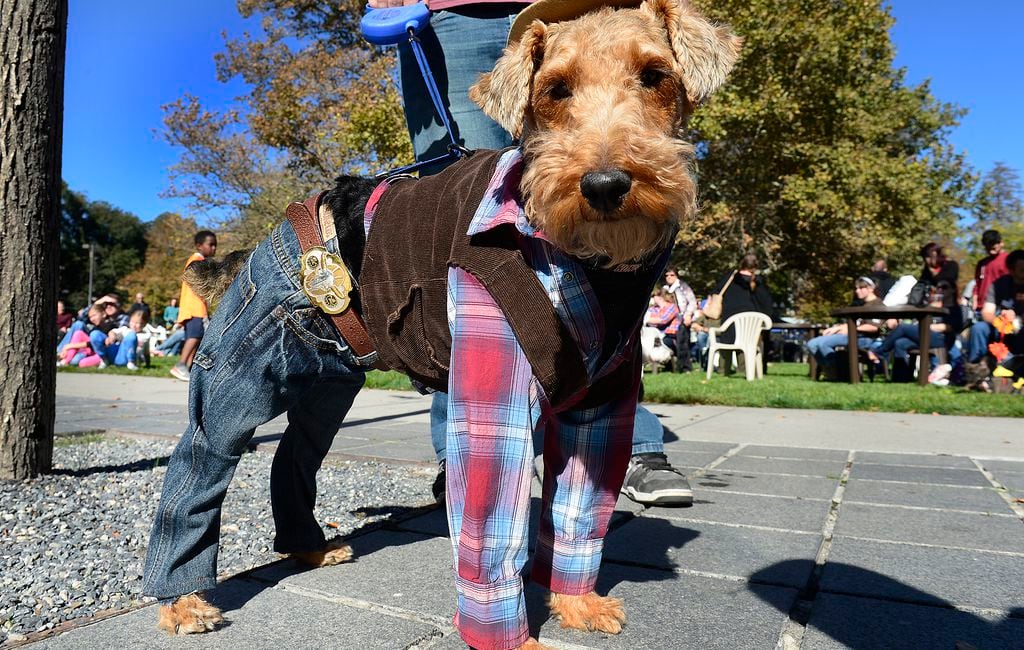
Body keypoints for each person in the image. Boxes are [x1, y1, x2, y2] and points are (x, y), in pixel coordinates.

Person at [383, 0, 692, 507]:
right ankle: (470, 449)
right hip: (450, 18)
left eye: (652, 78)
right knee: (464, 234)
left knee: (619, 269)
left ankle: (621, 438)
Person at [868, 279, 962, 377]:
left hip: (942, 338)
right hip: (925, 335)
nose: (940, 290)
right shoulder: (932, 305)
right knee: (900, 342)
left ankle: (879, 352)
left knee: (903, 328)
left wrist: (927, 326)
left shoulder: (955, 308)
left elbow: (949, 327)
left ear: (953, 290)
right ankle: (900, 378)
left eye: (944, 287)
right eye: (938, 288)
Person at [965, 249, 1024, 390]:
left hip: (1021, 331)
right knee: (978, 328)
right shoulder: (999, 285)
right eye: (1022, 269)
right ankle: (976, 375)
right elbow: (986, 312)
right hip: (1000, 330)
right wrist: (1000, 319)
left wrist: (1017, 320)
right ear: (1011, 270)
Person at [806, 277, 883, 377]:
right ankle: (831, 371)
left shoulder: (877, 305)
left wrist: (849, 329)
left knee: (823, 344)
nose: (857, 291)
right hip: (852, 336)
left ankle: (836, 373)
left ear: (870, 289)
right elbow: (854, 323)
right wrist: (838, 328)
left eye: (861, 288)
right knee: (812, 344)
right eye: (856, 288)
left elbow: (874, 327)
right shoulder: (860, 304)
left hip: (866, 339)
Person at [170, 231, 217, 381]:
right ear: (199, 245)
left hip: (195, 308)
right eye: (210, 244)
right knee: (194, 337)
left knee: (197, 337)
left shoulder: (197, 260)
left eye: (215, 245)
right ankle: (181, 364)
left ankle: (188, 369)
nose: (214, 248)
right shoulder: (197, 261)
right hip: (194, 308)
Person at [663, 268, 697, 372]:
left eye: (672, 275)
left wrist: (688, 315)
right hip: (670, 320)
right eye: (667, 275)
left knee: (682, 342)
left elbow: (692, 301)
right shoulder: (665, 289)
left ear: (676, 276)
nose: (669, 277)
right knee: (666, 341)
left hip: (682, 318)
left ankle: (685, 368)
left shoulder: (682, 286)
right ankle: (672, 366)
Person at [972, 229, 1009, 314]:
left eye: (993, 247)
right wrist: (975, 299)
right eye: (987, 248)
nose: (991, 251)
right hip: (980, 307)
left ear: (1001, 243)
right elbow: (977, 284)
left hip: (999, 307)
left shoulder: (1009, 260)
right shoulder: (982, 263)